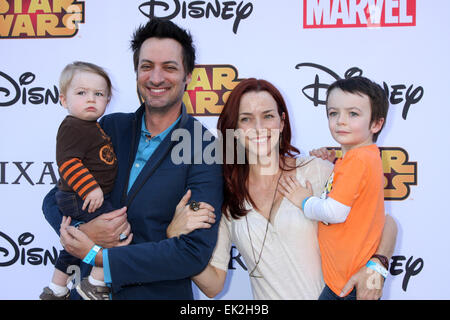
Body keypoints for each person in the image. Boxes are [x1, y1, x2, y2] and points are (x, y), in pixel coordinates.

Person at [167, 78, 397, 300]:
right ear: (234, 128)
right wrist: (176, 242)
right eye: (246, 119)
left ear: (282, 122)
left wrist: (377, 267)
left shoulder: (317, 170)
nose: (258, 127)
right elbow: (214, 285)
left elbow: (385, 223)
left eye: (268, 116)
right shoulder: (228, 196)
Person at [42, 18, 223, 299]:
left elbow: (191, 253)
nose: (156, 78)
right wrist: (84, 229)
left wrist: (98, 255)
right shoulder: (111, 127)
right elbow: (55, 198)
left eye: (170, 67)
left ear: (188, 75)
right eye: (147, 66)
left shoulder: (202, 146)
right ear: (136, 71)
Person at [280, 76, 389, 300]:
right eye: (333, 113)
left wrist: (304, 200)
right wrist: (334, 163)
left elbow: (334, 212)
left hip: (348, 284)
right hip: (346, 279)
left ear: (377, 123)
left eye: (353, 114)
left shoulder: (357, 161)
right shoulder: (362, 157)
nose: (341, 121)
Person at [40, 61, 123, 300]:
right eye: (81, 93)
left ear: (108, 101)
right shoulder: (73, 126)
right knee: (115, 229)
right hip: (80, 197)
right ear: (64, 100)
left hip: (82, 196)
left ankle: (56, 288)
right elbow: (68, 163)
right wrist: (91, 189)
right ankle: (95, 283)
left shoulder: (91, 126)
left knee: (78, 242)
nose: (91, 99)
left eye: (98, 94)